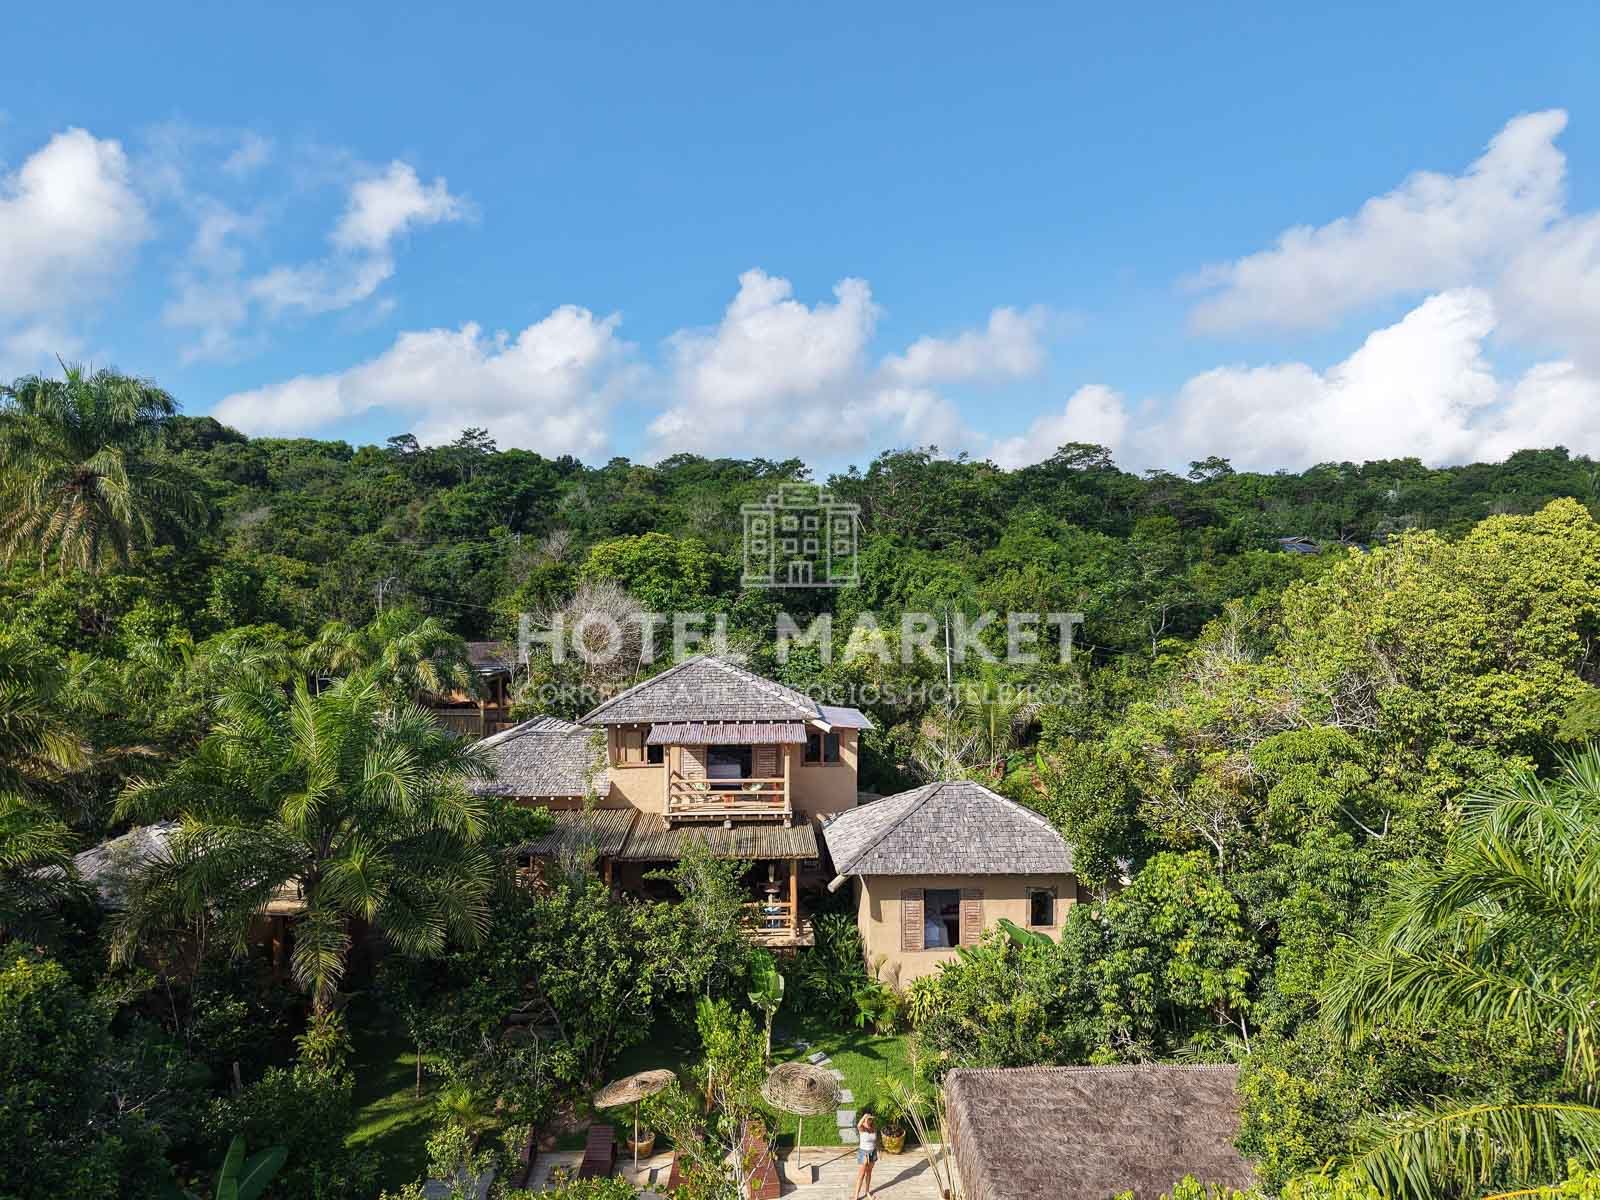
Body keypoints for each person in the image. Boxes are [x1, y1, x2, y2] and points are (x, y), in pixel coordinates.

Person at [852, 1111, 879, 1200]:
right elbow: (858, 1125)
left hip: (873, 1152)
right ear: (864, 1119)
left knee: (869, 1173)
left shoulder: (873, 1128)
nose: (870, 1120)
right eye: (869, 1119)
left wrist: (878, 1151)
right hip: (864, 1153)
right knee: (861, 1174)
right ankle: (856, 1196)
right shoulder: (862, 1128)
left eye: (871, 1119)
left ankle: (867, 1192)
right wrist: (864, 1117)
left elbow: (875, 1141)